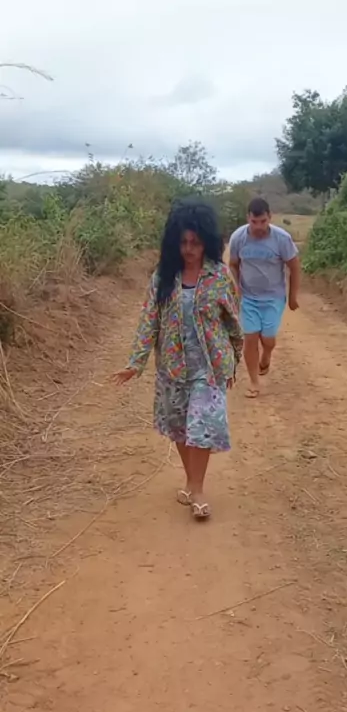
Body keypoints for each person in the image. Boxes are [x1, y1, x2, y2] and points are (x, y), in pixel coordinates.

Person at [113, 198, 243, 521]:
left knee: (201, 426)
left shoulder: (219, 276)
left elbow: (232, 322)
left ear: (207, 242)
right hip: (172, 368)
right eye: (183, 242)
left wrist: (233, 361)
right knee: (181, 429)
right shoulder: (163, 277)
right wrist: (135, 363)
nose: (189, 249)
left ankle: (197, 491)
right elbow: (149, 321)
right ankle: (191, 481)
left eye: (195, 243)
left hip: (209, 367)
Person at [228, 197, 301, 398]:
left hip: (273, 298)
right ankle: (254, 382)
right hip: (248, 297)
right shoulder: (238, 238)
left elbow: (294, 267)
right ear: (248, 218)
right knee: (250, 338)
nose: (258, 226)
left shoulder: (282, 239)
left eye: (263, 221)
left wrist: (292, 296)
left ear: (270, 217)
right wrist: (236, 287)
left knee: (268, 339)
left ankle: (267, 353)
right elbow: (233, 264)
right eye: (254, 222)